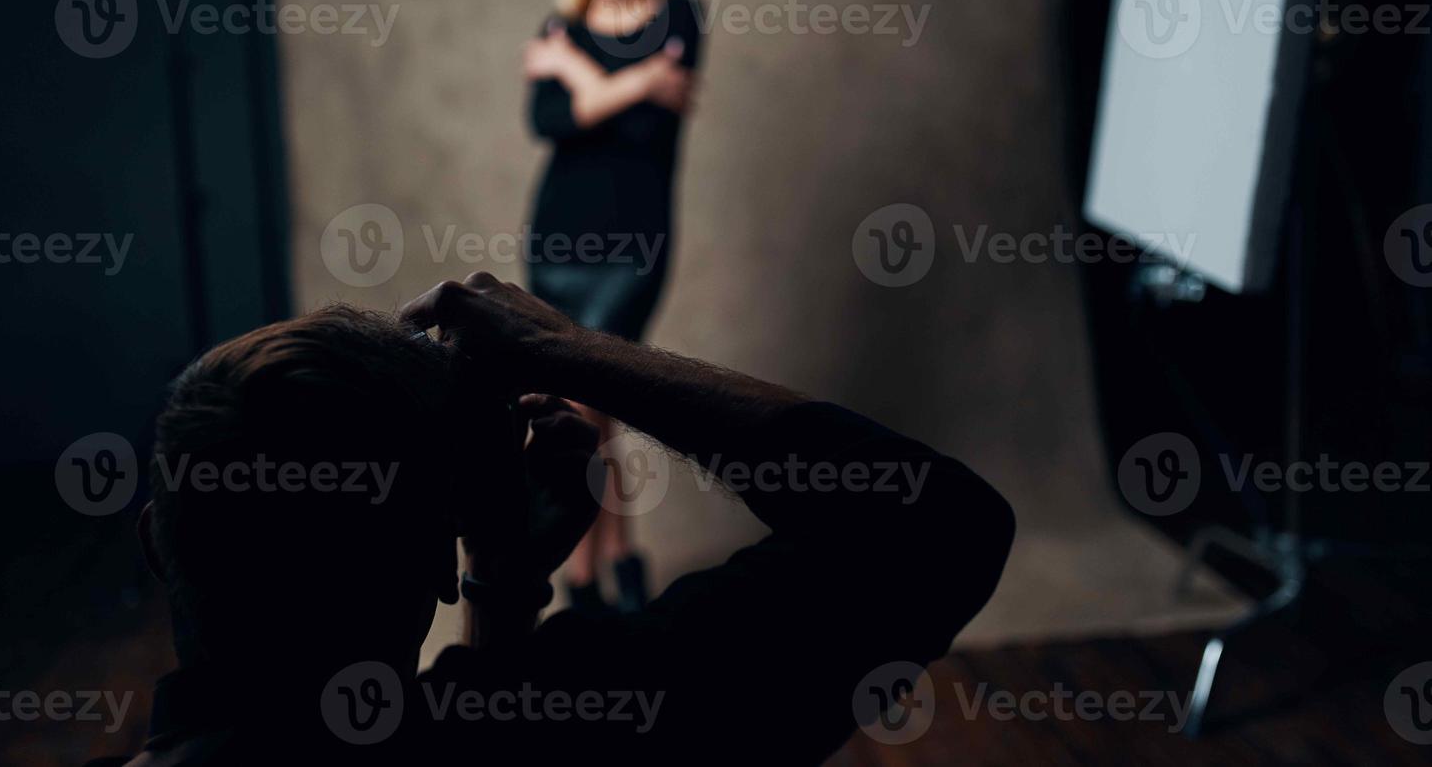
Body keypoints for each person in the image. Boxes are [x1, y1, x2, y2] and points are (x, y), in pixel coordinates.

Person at [88, 272, 1014, 765]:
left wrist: (501, 594)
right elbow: (938, 526)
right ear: (433, 565)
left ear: (157, 548)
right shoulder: (591, 723)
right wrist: (560, 350)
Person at [521, 0, 704, 616]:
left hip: (632, 249)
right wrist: (631, 81)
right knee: (590, 420)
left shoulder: (680, 15)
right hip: (557, 242)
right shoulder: (558, 28)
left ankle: (585, 589)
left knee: (585, 410)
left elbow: (646, 129)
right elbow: (551, 122)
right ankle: (620, 575)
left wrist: (578, 75)